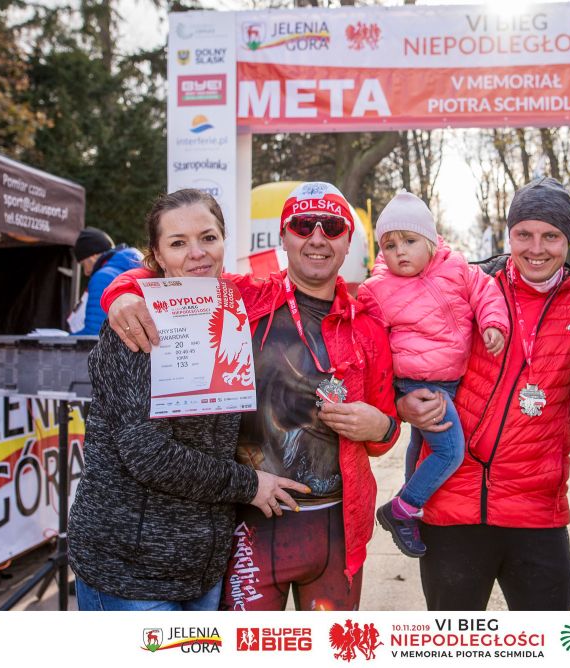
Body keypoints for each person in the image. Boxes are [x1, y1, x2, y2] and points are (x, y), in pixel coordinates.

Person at [101, 181, 399, 611]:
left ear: (348, 240)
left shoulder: (367, 325)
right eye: (303, 225)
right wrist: (120, 295)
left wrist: (382, 427)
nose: (317, 238)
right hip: (251, 519)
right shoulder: (241, 297)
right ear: (283, 236)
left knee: (336, 645)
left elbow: (386, 436)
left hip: (336, 525)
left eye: (332, 227)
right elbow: (164, 275)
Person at [67, 189, 308, 611]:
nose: (197, 253)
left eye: (208, 237)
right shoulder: (135, 326)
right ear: (158, 255)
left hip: (203, 570)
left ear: (223, 241)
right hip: (130, 575)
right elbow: (147, 453)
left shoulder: (230, 312)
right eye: (178, 243)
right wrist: (250, 485)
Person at [396, 177, 570, 611]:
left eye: (551, 236)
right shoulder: (467, 287)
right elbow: (400, 342)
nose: (536, 248)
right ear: (510, 235)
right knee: (453, 641)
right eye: (524, 234)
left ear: (569, 239)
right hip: (453, 506)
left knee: (547, 641)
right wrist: (401, 403)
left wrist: (543, 435)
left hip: (536, 511)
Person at [358, 190, 508, 558]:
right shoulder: (378, 289)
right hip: (419, 381)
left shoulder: (457, 267)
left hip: (450, 378)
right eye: (389, 245)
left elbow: (486, 292)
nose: (400, 252)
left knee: (420, 444)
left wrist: (493, 323)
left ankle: (412, 498)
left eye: (409, 241)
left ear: (429, 240)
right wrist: (395, 395)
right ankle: (404, 507)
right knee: (450, 451)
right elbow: (371, 344)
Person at [69, 226, 142, 336]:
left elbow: (94, 334)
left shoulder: (102, 277)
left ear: (93, 256)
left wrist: (64, 340)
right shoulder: (138, 267)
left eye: (84, 264)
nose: (86, 272)